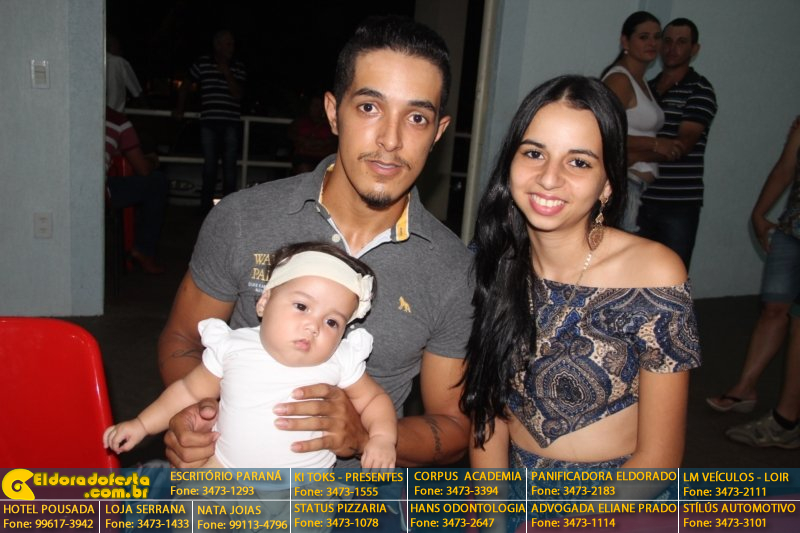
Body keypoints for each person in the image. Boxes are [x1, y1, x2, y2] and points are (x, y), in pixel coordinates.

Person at [158, 15, 472, 470]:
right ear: (332, 112)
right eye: (369, 107)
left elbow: (455, 426)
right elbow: (184, 336)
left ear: (438, 133)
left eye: (417, 118)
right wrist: (194, 414)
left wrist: (365, 436)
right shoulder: (243, 218)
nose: (390, 139)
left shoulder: (452, 270)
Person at [461, 76, 701, 473]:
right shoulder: (490, 262)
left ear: (607, 184)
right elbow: (486, 409)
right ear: (510, 165)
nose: (549, 177)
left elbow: (660, 459)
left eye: (579, 162)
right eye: (534, 153)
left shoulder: (653, 274)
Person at [105, 243, 396, 468]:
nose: (314, 326)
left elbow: (374, 400)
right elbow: (188, 391)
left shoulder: (339, 361)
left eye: (332, 321)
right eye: (301, 306)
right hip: (224, 470)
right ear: (264, 302)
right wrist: (142, 425)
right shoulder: (233, 346)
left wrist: (382, 438)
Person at [707, 119, 800, 448]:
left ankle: (786, 421)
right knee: (774, 307)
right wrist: (759, 212)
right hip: (792, 227)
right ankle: (744, 388)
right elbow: (785, 168)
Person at [639, 18, 717, 268]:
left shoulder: (699, 89)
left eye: (681, 42)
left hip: (678, 203)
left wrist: (632, 153)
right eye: (668, 41)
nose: (672, 48)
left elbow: (682, 144)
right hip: (641, 196)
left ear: (694, 49)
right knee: (633, 274)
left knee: (671, 276)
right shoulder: (647, 88)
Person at [601, 12, 680, 233]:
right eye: (644, 37)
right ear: (625, 41)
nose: (652, 43)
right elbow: (605, 132)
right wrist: (654, 145)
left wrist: (656, 151)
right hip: (624, 185)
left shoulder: (642, 81)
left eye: (657, 37)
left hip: (637, 186)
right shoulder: (620, 79)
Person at [174, 29, 246, 213]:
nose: (231, 47)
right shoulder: (203, 63)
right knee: (210, 166)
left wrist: (227, 72)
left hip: (230, 122)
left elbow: (238, 95)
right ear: (217, 45)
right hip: (209, 122)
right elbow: (186, 84)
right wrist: (180, 108)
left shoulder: (237, 66)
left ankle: (229, 211)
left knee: (230, 167)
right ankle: (205, 210)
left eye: (232, 43)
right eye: (228, 43)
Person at [105, 106, 168, 274]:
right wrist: (152, 161)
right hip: (98, 192)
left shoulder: (64, 112)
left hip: (60, 186)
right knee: (156, 182)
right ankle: (143, 250)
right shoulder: (116, 121)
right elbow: (143, 169)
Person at [288, 95, 339, 174]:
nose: (317, 109)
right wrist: (304, 141)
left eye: (319, 106)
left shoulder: (331, 123)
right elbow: (291, 135)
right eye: (314, 105)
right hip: (304, 158)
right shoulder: (300, 122)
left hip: (325, 158)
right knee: (304, 169)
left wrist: (319, 143)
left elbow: (334, 140)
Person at [106, 33, 144, 113]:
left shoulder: (96, 62)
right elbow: (136, 90)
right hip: (114, 113)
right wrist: (144, 105)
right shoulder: (119, 62)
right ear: (112, 46)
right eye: (117, 45)